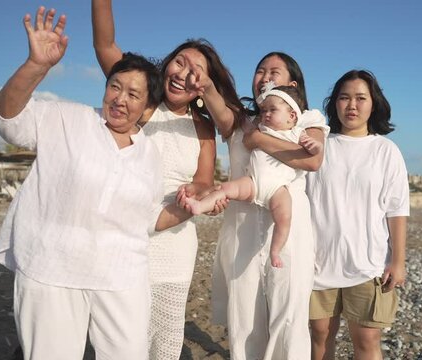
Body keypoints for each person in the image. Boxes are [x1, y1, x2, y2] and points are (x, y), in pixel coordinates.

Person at [0, 7, 176, 359]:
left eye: (134, 95)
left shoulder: (149, 154)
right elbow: (7, 119)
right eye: (115, 87)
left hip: (123, 276)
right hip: (52, 269)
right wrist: (36, 66)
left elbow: (147, 218)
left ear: (148, 109)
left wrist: (190, 206)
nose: (120, 99)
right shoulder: (67, 118)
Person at [92, 1, 244, 358]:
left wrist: (199, 193)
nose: (184, 73)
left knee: (165, 335)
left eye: (196, 71)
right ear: (167, 63)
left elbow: (204, 181)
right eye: (180, 61)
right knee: (120, 334)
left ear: (204, 85)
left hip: (175, 240)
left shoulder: (204, 126)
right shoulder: (142, 103)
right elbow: (104, 46)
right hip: (127, 233)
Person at [210, 52, 327, 359]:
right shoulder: (240, 120)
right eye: (260, 71)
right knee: (244, 319)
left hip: (289, 228)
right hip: (243, 229)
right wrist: (206, 85)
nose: (264, 77)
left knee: (288, 317)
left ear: (293, 84)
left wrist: (258, 140)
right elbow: (215, 104)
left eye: (274, 72)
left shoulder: (307, 119)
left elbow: (312, 159)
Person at [307, 70, 410, 360]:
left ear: (373, 104)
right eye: (344, 97)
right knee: (319, 336)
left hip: (368, 263)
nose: (352, 105)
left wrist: (398, 261)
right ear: (334, 104)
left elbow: (397, 209)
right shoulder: (319, 146)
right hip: (317, 263)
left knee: (366, 341)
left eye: (360, 98)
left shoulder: (386, 151)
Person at [183, 85, 327, 268]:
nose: (266, 113)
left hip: (278, 188)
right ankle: (200, 205)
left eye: (273, 110)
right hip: (253, 182)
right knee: (226, 188)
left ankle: (275, 251)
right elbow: (242, 121)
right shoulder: (260, 128)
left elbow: (314, 153)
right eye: (264, 109)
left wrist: (315, 146)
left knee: (284, 218)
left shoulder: (297, 133)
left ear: (292, 116)